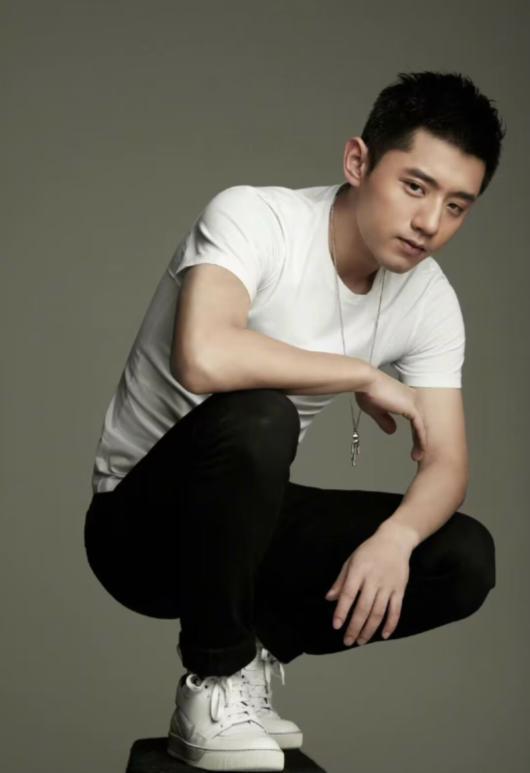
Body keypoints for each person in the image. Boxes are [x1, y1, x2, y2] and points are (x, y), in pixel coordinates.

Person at [83, 70, 505, 772]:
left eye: (457, 206)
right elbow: (205, 355)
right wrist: (362, 374)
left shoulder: (428, 299)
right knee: (263, 414)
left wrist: (397, 538)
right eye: (415, 186)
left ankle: (253, 656)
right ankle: (213, 677)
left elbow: (447, 463)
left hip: (244, 527)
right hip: (139, 531)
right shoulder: (256, 218)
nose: (431, 223)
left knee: (462, 556)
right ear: (358, 162)